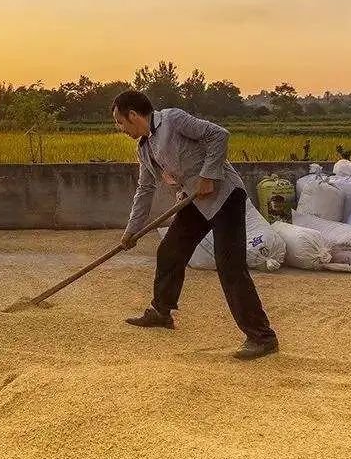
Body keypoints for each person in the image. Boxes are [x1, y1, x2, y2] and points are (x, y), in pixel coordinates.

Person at [112, 90, 278, 360]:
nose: (120, 129)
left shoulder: (173, 120)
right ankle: (161, 312)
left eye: (120, 122)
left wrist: (208, 175)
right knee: (170, 251)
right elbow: (145, 189)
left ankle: (262, 337)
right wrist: (132, 230)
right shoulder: (144, 148)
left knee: (230, 266)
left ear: (133, 115)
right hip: (194, 201)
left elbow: (219, 135)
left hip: (224, 196)